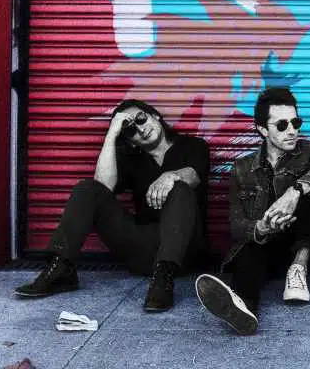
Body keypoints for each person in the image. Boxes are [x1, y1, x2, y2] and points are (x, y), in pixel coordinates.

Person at [15, 98, 210, 312]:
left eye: (141, 119)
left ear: (155, 116)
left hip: (183, 251)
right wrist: (112, 134)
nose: (141, 130)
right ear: (131, 142)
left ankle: (164, 278)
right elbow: (101, 190)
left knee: (180, 187)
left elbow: (193, 175)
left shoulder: (193, 145)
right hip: (142, 249)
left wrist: (171, 176)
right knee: (87, 188)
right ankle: (61, 268)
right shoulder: (132, 160)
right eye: (131, 131)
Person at [194, 87, 310, 335]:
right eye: (282, 125)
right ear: (263, 129)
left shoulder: (308, 153)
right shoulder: (242, 168)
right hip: (266, 247)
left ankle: (297, 270)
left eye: (296, 122)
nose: (292, 130)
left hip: (301, 243)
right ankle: (243, 308)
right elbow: (236, 226)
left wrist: (295, 191)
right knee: (248, 250)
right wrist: (262, 227)